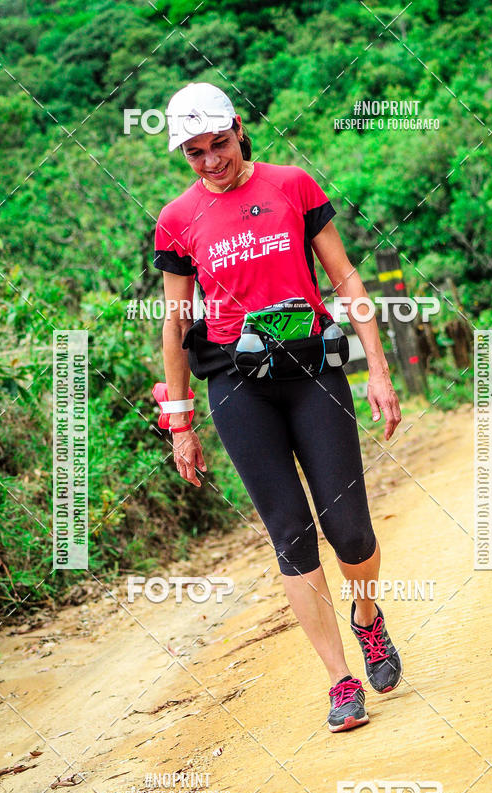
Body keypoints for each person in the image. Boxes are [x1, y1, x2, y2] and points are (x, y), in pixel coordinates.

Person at [154, 82, 403, 732]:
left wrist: (376, 367)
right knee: (290, 534)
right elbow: (176, 321)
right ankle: (339, 679)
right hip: (237, 389)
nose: (211, 161)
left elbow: (344, 276)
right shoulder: (178, 219)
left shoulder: (293, 185)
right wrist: (180, 419)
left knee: (349, 529)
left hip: (315, 374)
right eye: (195, 152)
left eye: (220, 144)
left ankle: (368, 618)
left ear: (239, 129)